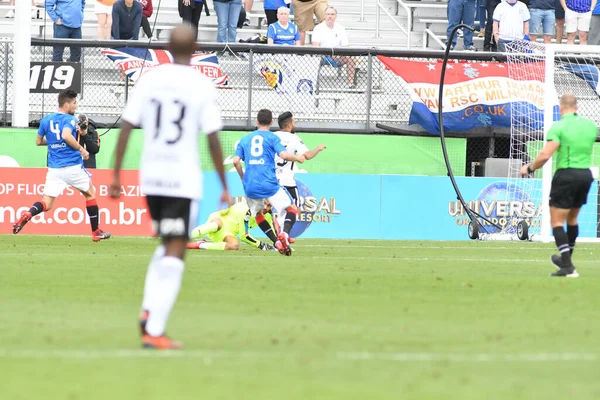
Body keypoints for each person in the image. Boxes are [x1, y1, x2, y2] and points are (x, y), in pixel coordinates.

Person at [109, 24, 230, 350]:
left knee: (167, 244)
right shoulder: (201, 84)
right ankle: (154, 329)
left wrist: (116, 174)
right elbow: (213, 140)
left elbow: (126, 128)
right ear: (195, 49)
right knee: (176, 250)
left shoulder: (149, 79)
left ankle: (149, 308)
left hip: (151, 177)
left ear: (165, 46)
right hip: (182, 179)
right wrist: (224, 184)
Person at [12, 90, 111, 242]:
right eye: (74, 102)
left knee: (47, 203)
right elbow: (65, 135)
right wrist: (81, 149)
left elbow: (38, 141)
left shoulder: (46, 120)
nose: (75, 106)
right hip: (72, 166)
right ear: (66, 104)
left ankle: (29, 213)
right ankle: (96, 231)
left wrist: (53, 142)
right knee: (91, 193)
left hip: (54, 169)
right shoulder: (70, 120)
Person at [520, 93, 597, 278]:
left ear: (561, 107)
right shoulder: (590, 126)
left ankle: (568, 267)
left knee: (556, 221)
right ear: (577, 107)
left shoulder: (559, 126)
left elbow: (546, 155)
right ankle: (565, 262)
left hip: (566, 175)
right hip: (585, 175)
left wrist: (529, 168)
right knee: (572, 220)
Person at [232, 109, 305, 256]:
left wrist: (242, 178)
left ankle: (275, 241)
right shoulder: (272, 138)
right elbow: (283, 154)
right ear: (271, 122)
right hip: (269, 183)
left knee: (259, 214)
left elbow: (235, 161)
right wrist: (298, 158)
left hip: (250, 186)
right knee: (291, 209)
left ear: (256, 122)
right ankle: (284, 234)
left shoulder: (244, 139)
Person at [274, 111, 325, 207]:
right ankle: (288, 222)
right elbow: (308, 156)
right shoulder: (294, 138)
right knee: (295, 207)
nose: (295, 125)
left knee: (268, 207)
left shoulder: (272, 136)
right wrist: (318, 148)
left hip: (271, 178)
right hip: (286, 179)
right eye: (294, 123)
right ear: (289, 125)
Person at [187, 201, 276, 251]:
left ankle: (200, 245)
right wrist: (261, 245)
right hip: (220, 219)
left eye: (269, 205)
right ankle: (183, 236)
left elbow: (273, 234)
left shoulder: (267, 216)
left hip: (227, 233)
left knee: (234, 246)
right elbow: (244, 236)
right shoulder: (246, 211)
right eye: (263, 203)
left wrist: (279, 244)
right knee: (216, 225)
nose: (265, 207)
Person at [312, 6, 357, 89]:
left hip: (338, 56)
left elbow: (346, 47)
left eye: (332, 14)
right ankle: (314, 82)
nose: (330, 16)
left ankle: (350, 84)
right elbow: (315, 47)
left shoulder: (341, 28)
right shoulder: (318, 28)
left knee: (351, 57)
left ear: (335, 16)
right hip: (323, 56)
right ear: (324, 16)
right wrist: (329, 54)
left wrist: (338, 55)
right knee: (316, 58)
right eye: (328, 14)